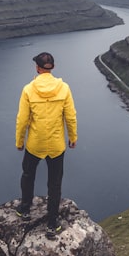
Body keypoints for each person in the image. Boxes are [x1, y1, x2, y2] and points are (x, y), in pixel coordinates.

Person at [15, 51, 77, 236]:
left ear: (37, 67)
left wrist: (19, 141)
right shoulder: (64, 88)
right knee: (55, 183)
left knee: (28, 174)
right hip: (56, 144)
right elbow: (70, 116)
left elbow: (22, 119)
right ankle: (52, 222)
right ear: (53, 68)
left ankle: (25, 208)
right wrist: (73, 137)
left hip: (35, 143)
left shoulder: (28, 89)